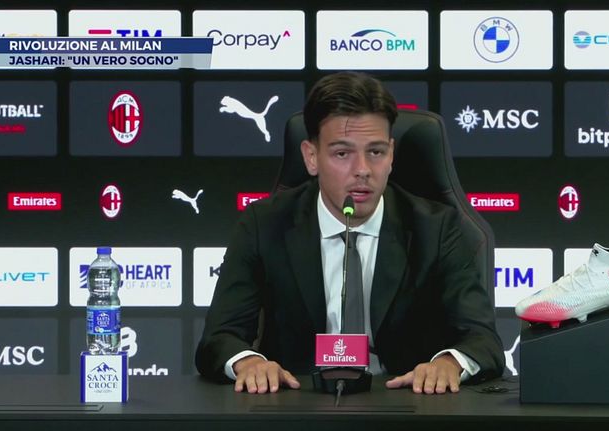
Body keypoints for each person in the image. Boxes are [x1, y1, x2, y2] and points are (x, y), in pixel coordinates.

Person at [196, 72, 504, 395]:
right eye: (342, 154)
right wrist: (249, 363)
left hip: (405, 403)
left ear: (391, 155)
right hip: (298, 402)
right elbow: (219, 337)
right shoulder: (264, 224)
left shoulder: (438, 229)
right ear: (311, 157)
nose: (363, 170)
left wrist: (448, 363)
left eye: (376, 152)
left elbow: (482, 339)